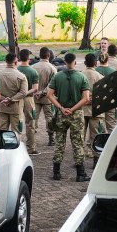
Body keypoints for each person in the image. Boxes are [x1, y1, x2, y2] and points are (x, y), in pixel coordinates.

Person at [47, 52, 91, 182]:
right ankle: (80, 173)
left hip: (61, 113)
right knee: (78, 143)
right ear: (75, 62)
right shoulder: (82, 77)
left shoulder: (57, 76)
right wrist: (72, 109)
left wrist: (60, 107)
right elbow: (86, 98)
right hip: (76, 114)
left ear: (65, 62)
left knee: (59, 142)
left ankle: (56, 172)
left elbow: (49, 95)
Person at [0, 52, 28, 133]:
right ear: (16, 62)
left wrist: (4, 99)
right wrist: (11, 99)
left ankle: (3, 146)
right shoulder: (21, 76)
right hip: (16, 109)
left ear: (6, 61)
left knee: (2, 132)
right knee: (16, 132)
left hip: (2, 107)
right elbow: (23, 92)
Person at [17, 50, 41, 154]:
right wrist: (25, 93)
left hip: (17, 99)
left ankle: (16, 147)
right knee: (31, 122)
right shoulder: (33, 71)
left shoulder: (16, 70)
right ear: (29, 58)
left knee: (17, 122)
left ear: (19, 58)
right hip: (29, 99)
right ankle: (31, 148)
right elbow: (35, 89)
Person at [81, 52, 105, 156]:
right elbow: (104, 95)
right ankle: (96, 160)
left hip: (81, 109)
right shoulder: (100, 77)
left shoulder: (80, 75)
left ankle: (80, 158)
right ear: (96, 63)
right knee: (96, 136)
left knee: (80, 136)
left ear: (85, 63)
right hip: (96, 110)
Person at [34, 47, 58, 146]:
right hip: (48, 98)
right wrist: (43, 92)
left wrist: (38, 92)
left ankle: (32, 139)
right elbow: (53, 85)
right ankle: (51, 139)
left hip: (35, 97)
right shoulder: (52, 68)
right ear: (49, 56)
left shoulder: (33, 67)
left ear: (40, 55)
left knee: (33, 118)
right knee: (49, 117)